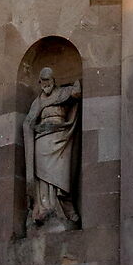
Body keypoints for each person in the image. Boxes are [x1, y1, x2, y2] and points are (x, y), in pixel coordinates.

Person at [23, 67, 81, 232]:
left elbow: (77, 91)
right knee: (44, 177)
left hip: (60, 137)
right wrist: (38, 127)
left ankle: (63, 208)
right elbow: (28, 123)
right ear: (39, 82)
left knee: (60, 175)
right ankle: (45, 207)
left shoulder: (62, 93)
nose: (46, 84)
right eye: (43, 81)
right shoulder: (38, 102)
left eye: (48, 80)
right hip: (42, 141)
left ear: (53, 81)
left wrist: (73, 85)